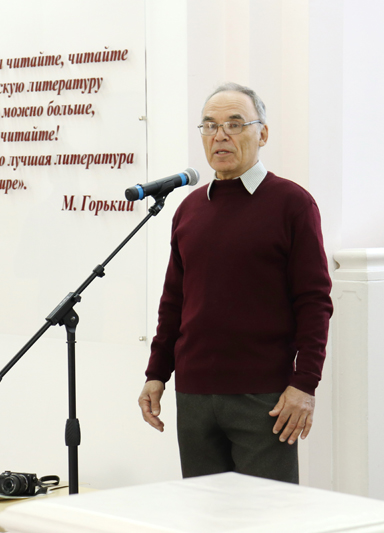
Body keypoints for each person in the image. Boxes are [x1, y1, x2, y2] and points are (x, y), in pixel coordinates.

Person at [138, 82, 332, 484]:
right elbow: (174, 301)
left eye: (235, 124)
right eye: (210, 125)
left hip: (264, 397)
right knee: (205, 512)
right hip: (194, 394)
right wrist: (157, 373)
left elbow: (314, 301)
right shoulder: (189, 208)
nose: (220, 135)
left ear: (262, 134)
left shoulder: (292, 203)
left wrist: (305, 384)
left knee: (267, 512)